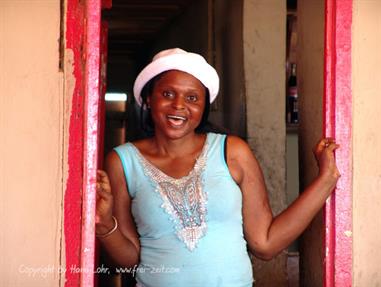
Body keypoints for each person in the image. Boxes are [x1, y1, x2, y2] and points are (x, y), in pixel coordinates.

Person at [95, 48, 340, 287]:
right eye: (168, 94)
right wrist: (105, 225)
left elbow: (265, 244)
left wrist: (326, 179)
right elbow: (126, 261)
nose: (179, 105)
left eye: (192, 98)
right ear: (149, 98)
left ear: (203, 108)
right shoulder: (123, 161)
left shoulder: (232, 151)